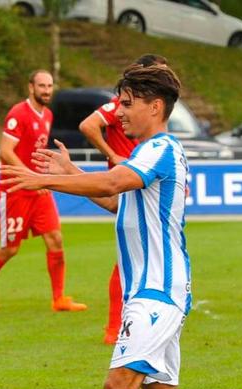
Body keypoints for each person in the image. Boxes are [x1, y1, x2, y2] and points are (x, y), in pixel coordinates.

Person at [2, 64, 223, 389]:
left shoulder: (160, 148)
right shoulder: (149, 153)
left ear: (155, 107)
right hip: (154, 288)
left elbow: (112, 182)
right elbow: (117, 200)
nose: (118, 113)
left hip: (156, 289)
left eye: (126, 104)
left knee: (118, 386)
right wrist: (71, 171)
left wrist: (47, 181)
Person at [0, 69, 86, 312]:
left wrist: (42, 176)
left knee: (55, 238)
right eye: (42, 86)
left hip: (38, 188)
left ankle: (59, 299)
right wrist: (30, 176)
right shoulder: (18, 114)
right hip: (15, 188)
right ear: (30, 87)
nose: (46, 90)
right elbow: (6, 151)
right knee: (10, 248)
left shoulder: (48, 115)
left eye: (50, 85)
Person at [79, 54, 168, 344]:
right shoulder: (120, 106)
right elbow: (88, 125)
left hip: (137, 179)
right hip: (126, 179)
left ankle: (123, 325)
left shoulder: (155, 127)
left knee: (134, 254)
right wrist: (113, 155)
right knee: (129, 256)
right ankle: (116, 327)